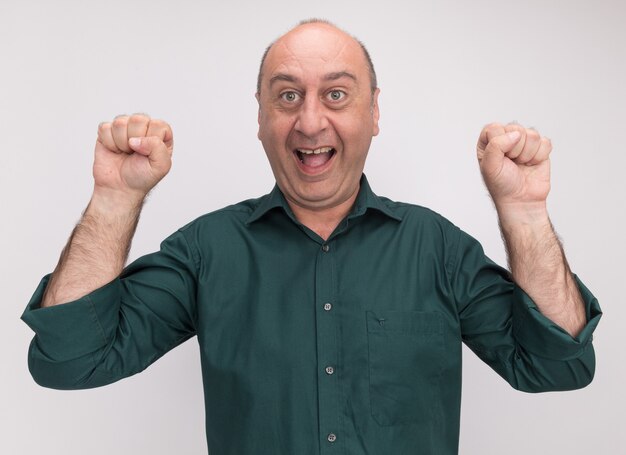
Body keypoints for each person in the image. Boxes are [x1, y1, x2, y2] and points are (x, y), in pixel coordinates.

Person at [22, 19, 601, 455]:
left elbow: (556, 366)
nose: (310, 121)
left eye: (337, 94)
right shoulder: (206, 252)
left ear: (375, 112)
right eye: (288, 95)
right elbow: (70, 361)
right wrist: (115, 198)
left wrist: (524, 214)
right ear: (261, 117)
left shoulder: (438, 249)